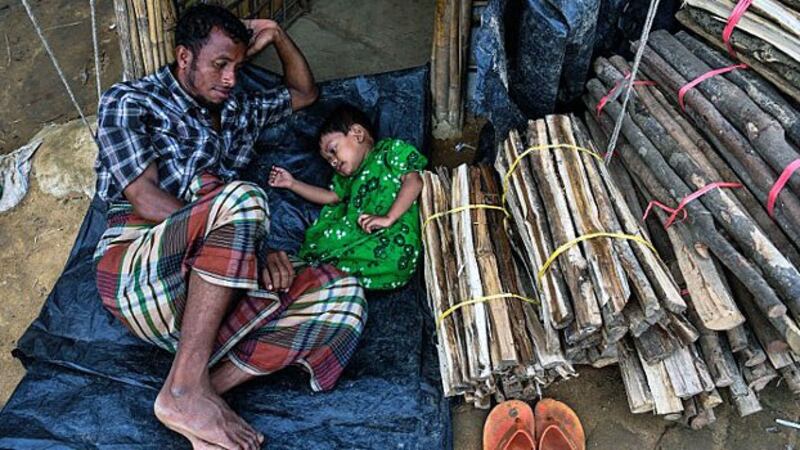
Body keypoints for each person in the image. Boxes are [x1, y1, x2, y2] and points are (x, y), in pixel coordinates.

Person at [93, 5, 367, 450]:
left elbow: (305, 93)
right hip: (144, 270)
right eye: (220, 65)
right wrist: (247, 242)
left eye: (238, 67)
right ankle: (185, 389)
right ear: (184, 57)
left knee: (344, 294)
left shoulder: (238, 108)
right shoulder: (130, 101)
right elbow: (144, 197)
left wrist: (277, 35)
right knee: (242, 196)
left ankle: (197, 396)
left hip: (210, 297)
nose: (231, 79)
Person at [268, 105, 428, 290]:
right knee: (322, 250)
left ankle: (312, 280)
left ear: (358, 134)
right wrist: (292, 184)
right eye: (329, 160)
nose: (333, 161)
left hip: (393, 236)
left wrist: (389, 218)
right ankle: (310, 280)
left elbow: (414, 181)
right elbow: (331, 197)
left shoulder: (390, 151)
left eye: (333, 150)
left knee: (393, 257)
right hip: (355, 236)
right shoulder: (347, 179)